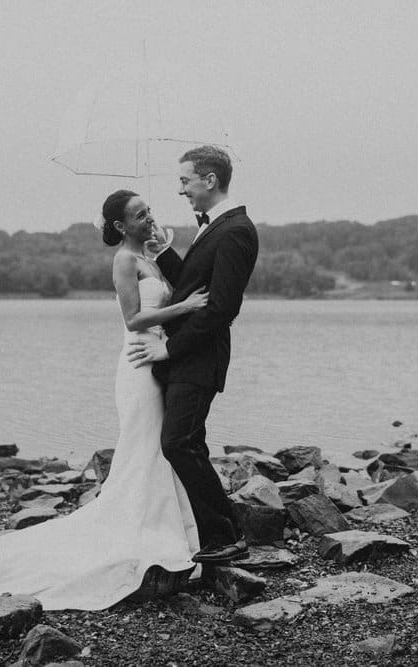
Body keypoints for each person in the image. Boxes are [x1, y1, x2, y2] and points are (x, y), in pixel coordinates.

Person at [0, 190, 210, 610]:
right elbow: (134, 319)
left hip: (158, 363)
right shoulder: (123, 260)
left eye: (148, 211)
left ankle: (167, 526)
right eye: (139, 215)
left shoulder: (149, 258)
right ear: (121, 226)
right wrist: (186, 306)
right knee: (143, 447)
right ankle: (142, 531)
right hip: (139, 364)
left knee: (156, 449)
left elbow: (167, 297)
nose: (148, 218)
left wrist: (166, 252)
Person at [128, 145, 259, 564]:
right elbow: (192, 289)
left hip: (199, 356)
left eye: (185, 180)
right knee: (189, 441)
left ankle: (227, 535)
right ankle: (219, 533)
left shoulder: (236, 230)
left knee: (178, 442)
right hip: (188, 356)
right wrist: (163, 252)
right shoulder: (215, 227)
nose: (180, 189)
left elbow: (222, 307)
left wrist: (169, 347)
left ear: (210, 180)